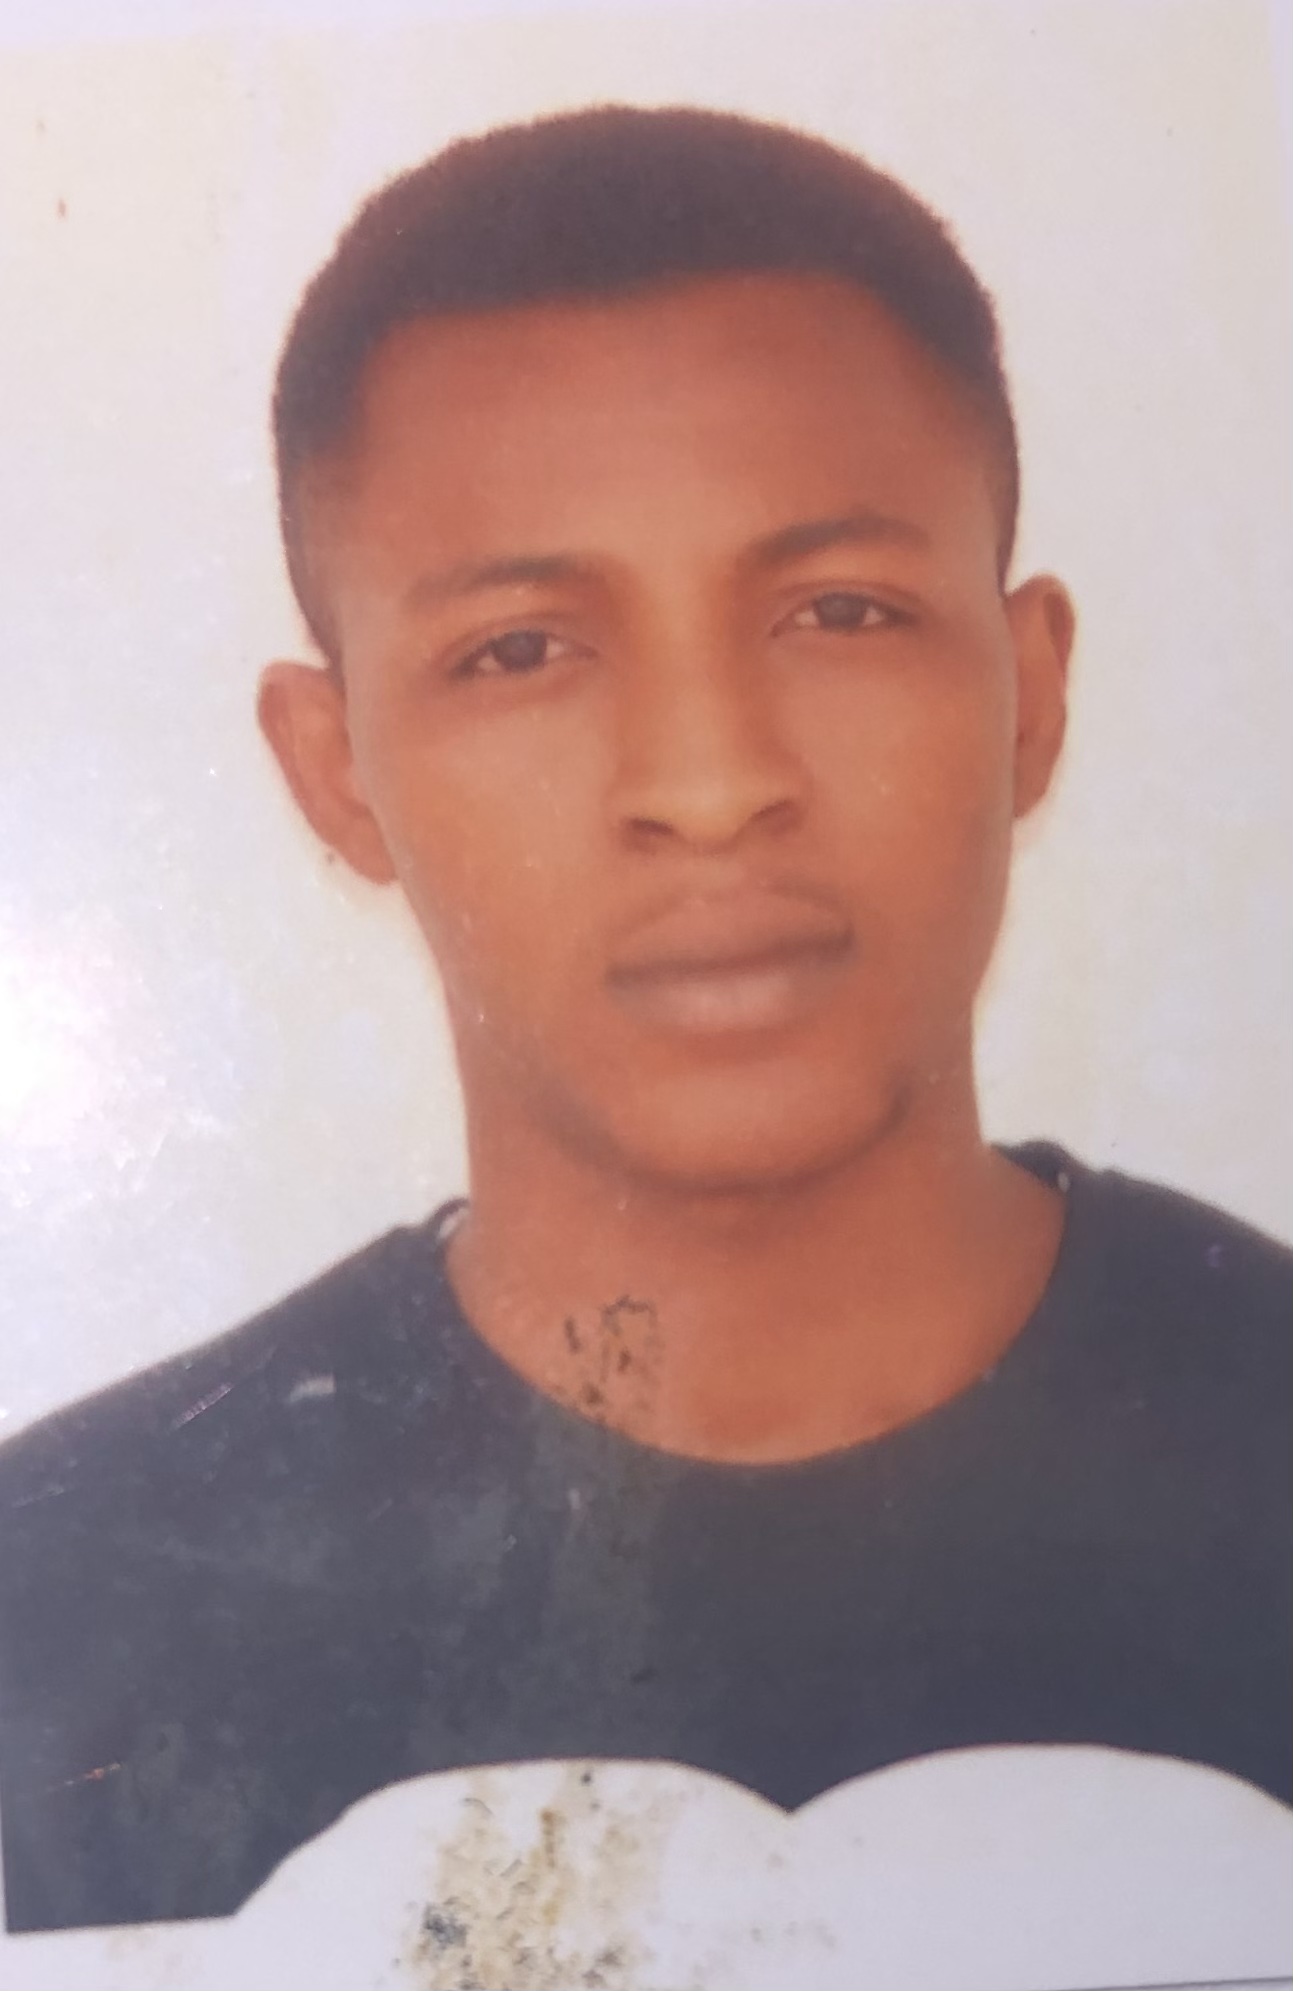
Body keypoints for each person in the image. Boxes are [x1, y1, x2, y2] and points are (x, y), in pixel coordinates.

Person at [0, 104, 1287, 1937]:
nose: (707, 782)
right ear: (334, 770)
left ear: (1028, 695)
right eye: (520, 649)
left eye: (838, 611)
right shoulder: (57, 1622)